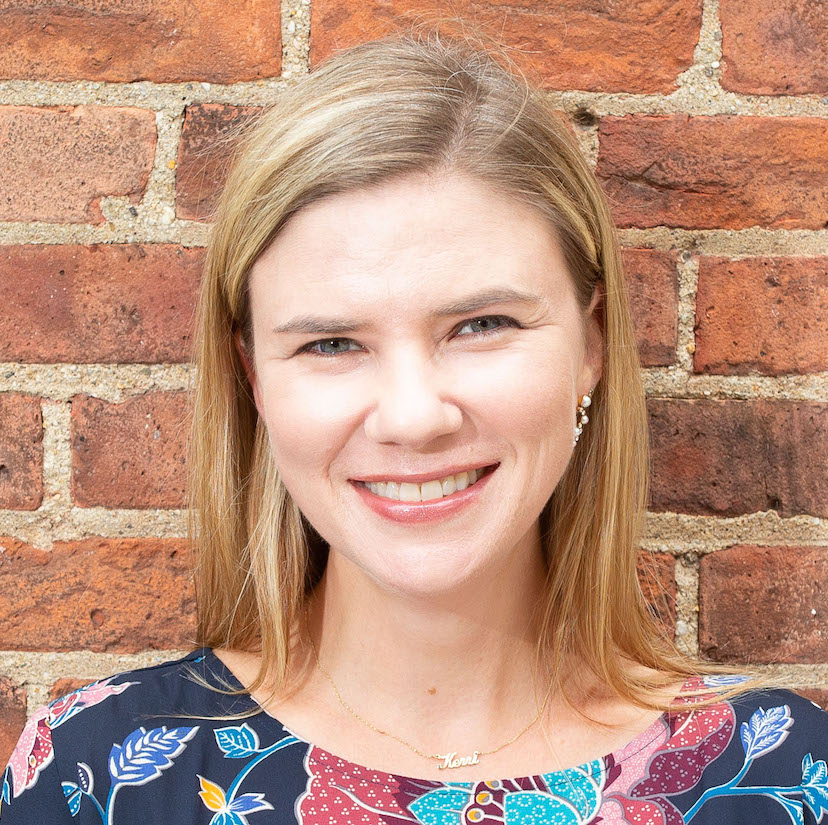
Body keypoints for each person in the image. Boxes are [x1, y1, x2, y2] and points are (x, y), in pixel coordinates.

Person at [2, 26, 827, 825]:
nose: (412, 416)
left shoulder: (788, 779)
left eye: (482, 325)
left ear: (592, 345)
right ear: (254, 378)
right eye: (331, 342)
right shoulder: (95, 777)